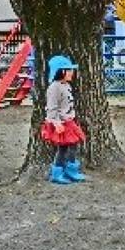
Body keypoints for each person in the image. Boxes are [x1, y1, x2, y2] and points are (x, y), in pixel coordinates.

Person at [41, 55, 87, 185]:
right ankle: (58, 173)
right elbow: (51, 107)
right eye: (69, 70)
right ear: (61, 71)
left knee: (73, 145)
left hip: (68, 122)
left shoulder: (66, 85)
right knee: (63, 149)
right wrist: (55, 122)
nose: (72, 73)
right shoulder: (54, 87)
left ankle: (71, 170)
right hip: (61, 123)